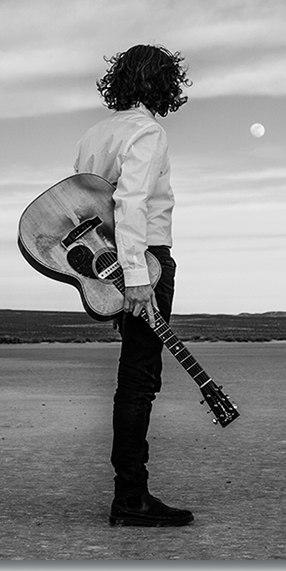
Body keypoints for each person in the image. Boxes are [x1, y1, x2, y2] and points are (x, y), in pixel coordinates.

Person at [73, 44, 193, 527]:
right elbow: (131, 204)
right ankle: (131, 497)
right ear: (163, 85)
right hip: (145, 262)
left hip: (109, 261)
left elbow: (83, 208)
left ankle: (130, 492)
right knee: (139, 380)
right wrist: (139, 279)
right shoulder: (147, 132)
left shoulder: (95, 134)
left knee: (132, 377)